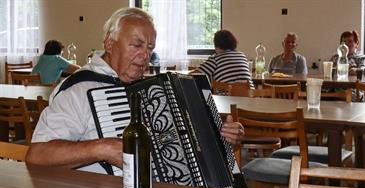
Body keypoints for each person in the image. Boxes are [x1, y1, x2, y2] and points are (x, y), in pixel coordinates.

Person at [26, 7, 244, 174]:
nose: (145, 55)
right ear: (110, 44)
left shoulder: (154, 89)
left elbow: (183, 149)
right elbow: (37, 155)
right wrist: (100, 149)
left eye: (150, 48)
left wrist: (222, 136)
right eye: (137, 45)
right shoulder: (79, 89)